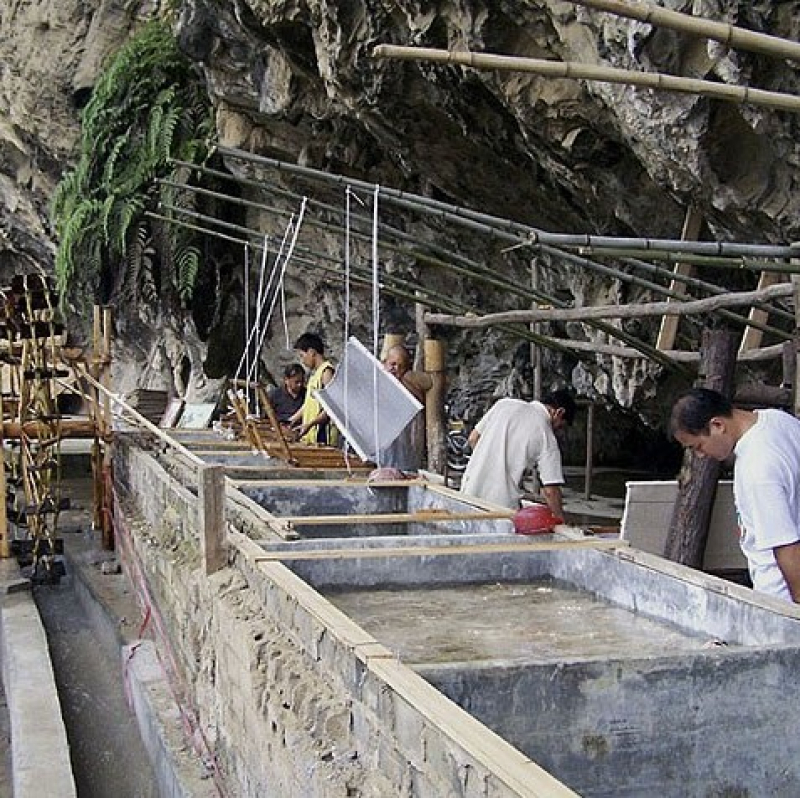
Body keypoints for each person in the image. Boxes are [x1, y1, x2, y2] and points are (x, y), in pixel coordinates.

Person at [670, 387, 800, 603]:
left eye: (698, 446)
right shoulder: (779, 421)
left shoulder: (756, 469)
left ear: (717, 425)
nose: (701, 455)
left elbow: (788, 549)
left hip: (781, 599)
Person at [459, 389, 576, 516]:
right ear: (559, 412)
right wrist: (560, 520)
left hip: (469, 493)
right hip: (501, 506)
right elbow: (550, 491)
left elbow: (473, 438)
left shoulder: (503, 405)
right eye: (561, 426)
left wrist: (489, 461)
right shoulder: (546, 436)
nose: (558, 430)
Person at [377, 344, 431, 473]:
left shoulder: (408, 385)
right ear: (385, 362)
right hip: (380, 448)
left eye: (401, 366)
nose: (395, 369)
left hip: (404, 451)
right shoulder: (378, 381)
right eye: (393, 364)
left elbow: (427, 384)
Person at [289, 332, 339, 446]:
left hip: (323, 435)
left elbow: (331, 407)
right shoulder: (314, 376)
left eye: (302, 355)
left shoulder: (326, 372)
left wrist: (311, 424)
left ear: (312, 352)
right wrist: (292, 420)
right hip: (311, 434)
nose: (302, 360)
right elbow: (309, 404)